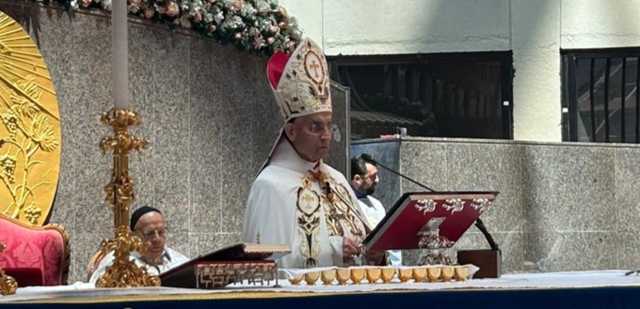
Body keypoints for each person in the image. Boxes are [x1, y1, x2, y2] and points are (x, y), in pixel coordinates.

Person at [242, 38, 378, 268]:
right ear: (291, 131)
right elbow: (267, 264)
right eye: (315, 127)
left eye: (328, 125)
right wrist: (334, 249)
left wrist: (374, 252)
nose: (325, 135)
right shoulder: (271, 186)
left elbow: (365, 243)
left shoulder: (337, 179)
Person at [89, 206, 189, 284]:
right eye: (150, 233)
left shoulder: (181, 262)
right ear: (134, 236)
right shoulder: (117, 263)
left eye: (161, 232)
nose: (157, 239)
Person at [350, 155, 402, 266]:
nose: (377, 180)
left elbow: (389, 238)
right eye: (373, 177)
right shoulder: (345, 204)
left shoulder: (377, 204)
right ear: (357, 179)